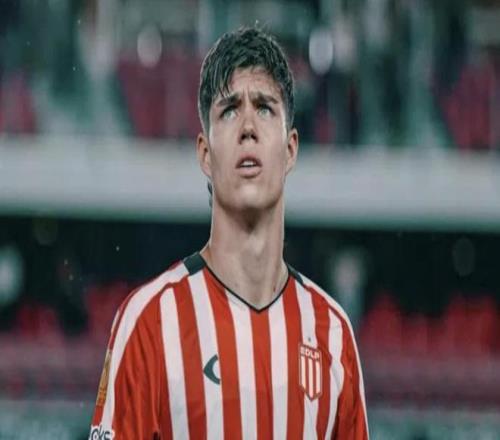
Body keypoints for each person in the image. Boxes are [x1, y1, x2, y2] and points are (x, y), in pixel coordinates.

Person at [89, 26, 368, 439]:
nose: (248, 127)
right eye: (230, 110)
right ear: (205, 153)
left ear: (291, 149)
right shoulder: (149, 322)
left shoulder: (333, 334)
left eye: (265, 108)